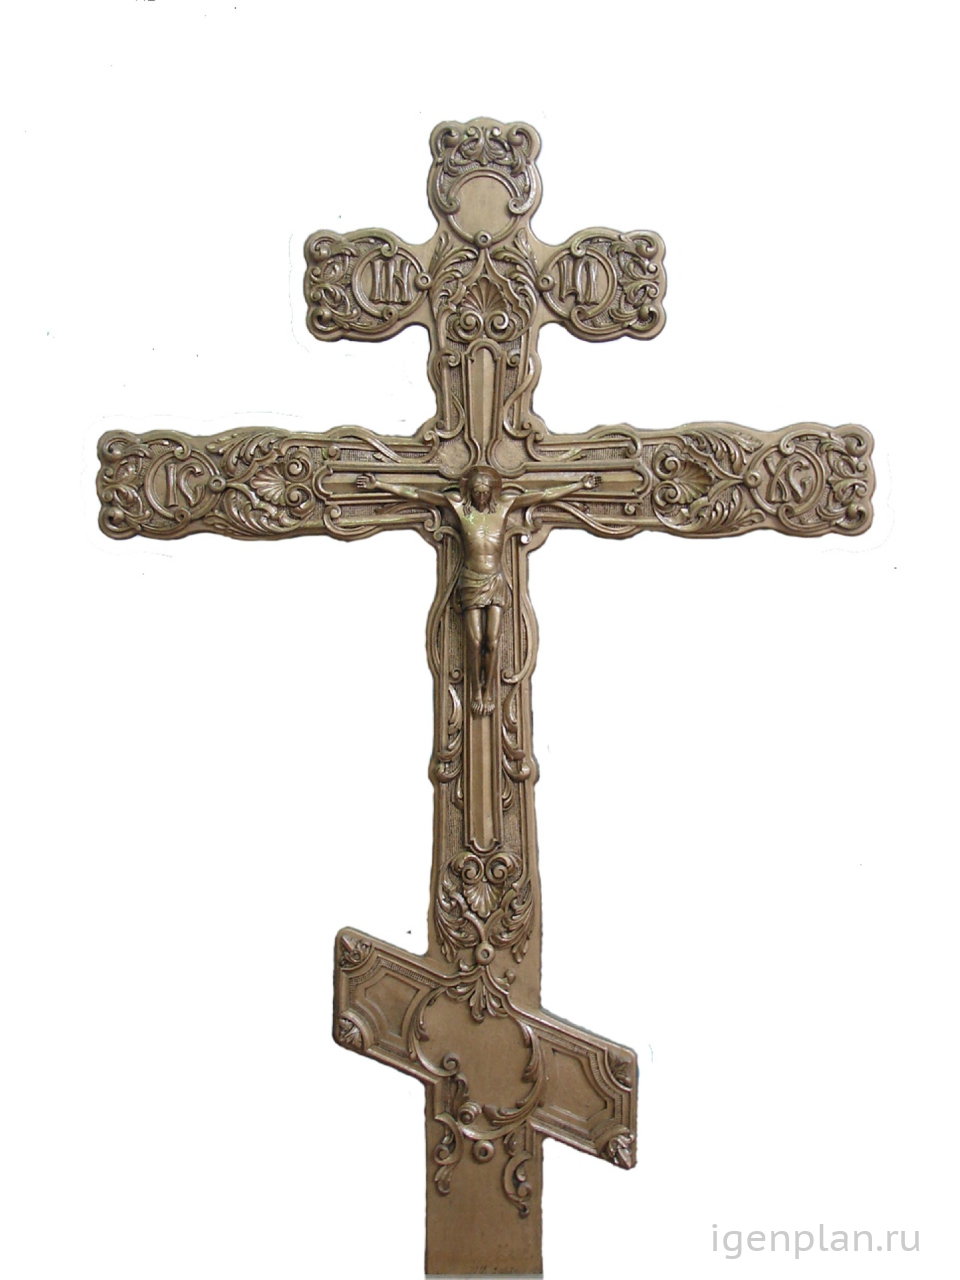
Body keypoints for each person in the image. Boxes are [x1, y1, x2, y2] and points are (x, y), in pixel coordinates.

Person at [357, 466, 598, 715]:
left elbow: (544, 495)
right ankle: (475, 691)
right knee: (474, 640)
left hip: (495, 580)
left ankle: (488, 690)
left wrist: (579, 485)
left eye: (484, 492)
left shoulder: (505, 506)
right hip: (471, 580)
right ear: (469, 492)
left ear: (492, 491)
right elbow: (418, 494)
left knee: (492, 640)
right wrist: (380, 485)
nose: (481, 496)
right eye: (476, 492)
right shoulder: (459, 508)